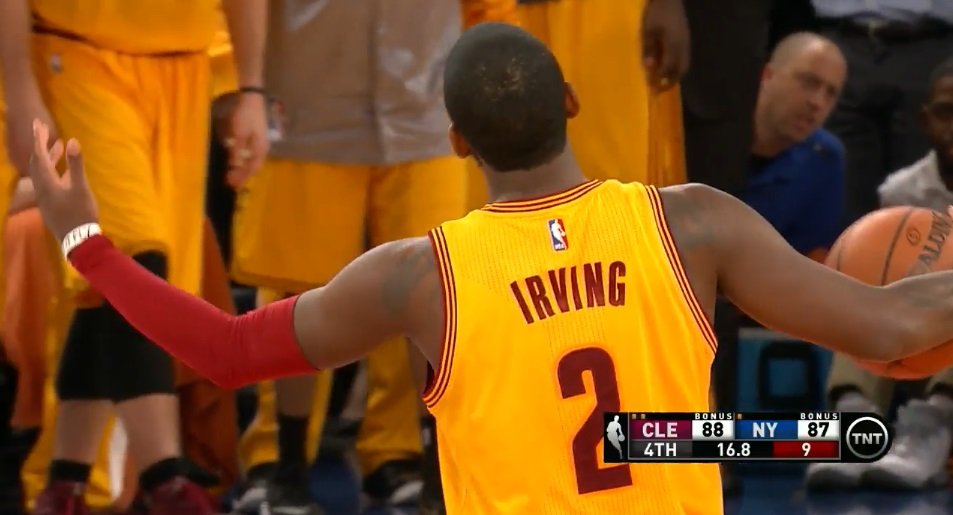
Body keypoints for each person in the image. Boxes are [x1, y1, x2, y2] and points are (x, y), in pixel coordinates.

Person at [25, 23, 953, 514]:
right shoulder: (692, 221)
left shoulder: (418, 276)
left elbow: (224, 351)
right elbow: (895, 324)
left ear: (458, 140)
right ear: (574, 102)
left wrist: (85, 241)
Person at [0, 0, 269, 512]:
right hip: (76, 53)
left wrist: (251, 89)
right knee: (133, 256)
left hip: (184, 69)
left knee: (121, 287)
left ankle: (64, 485)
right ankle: (166, 478)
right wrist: (19, 89)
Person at [806, 57, 953, 492]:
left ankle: (934, 425)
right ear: (925, 121)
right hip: (916, 343)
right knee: (866, 287)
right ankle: (855, 421)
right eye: (947, 112)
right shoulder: (900, 191)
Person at [745, 32, 847, 262]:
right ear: (767, 75)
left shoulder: (825, 157)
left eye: (830, 93)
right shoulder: (709, 136)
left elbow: (810, 262)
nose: (818, 102)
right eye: (809, 83)